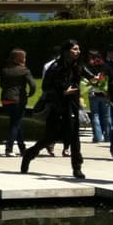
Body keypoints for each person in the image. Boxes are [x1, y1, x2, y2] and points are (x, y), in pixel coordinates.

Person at [22, 39, 86, 179]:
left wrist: (99, 81)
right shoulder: (55, 66)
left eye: (78, 49)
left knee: (75, 137)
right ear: (66, 51)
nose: (78, 51)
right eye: (75, 49)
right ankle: (29, 154)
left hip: (72, 106)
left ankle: (77, 168)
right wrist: (63, 90)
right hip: (58, 106)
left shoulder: (77, 65)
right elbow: (46, 87)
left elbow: (90, 77)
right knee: (51, 137)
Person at [0, 49, 36, 157]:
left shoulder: (5, 70)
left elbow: (1, 84)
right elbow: (32, 85)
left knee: (17, 122)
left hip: (6, 99)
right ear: (19, 59)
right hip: (18, 100)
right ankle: (9, 148)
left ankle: (22, 148)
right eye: (24, 57)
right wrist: (30, 94)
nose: (25, 59)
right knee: (15, 124)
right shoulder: (24, 70)